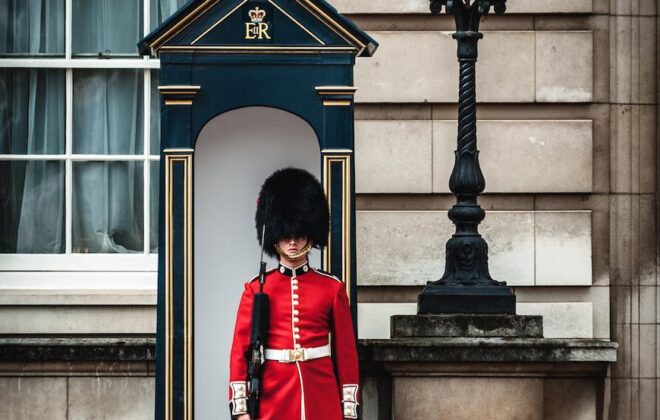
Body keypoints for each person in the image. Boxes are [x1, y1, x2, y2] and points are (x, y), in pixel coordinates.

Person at [228, 167, 360, 420]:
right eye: (285, 236)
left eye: (298, 236)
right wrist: (241, 406)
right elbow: (240, 351)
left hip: (319, 390)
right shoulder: (257, 288)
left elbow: (346, 353)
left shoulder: (331, 288)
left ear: (309, 236)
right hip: (273, 393)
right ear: (275, 238)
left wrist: (348, 406)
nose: (292, 243)